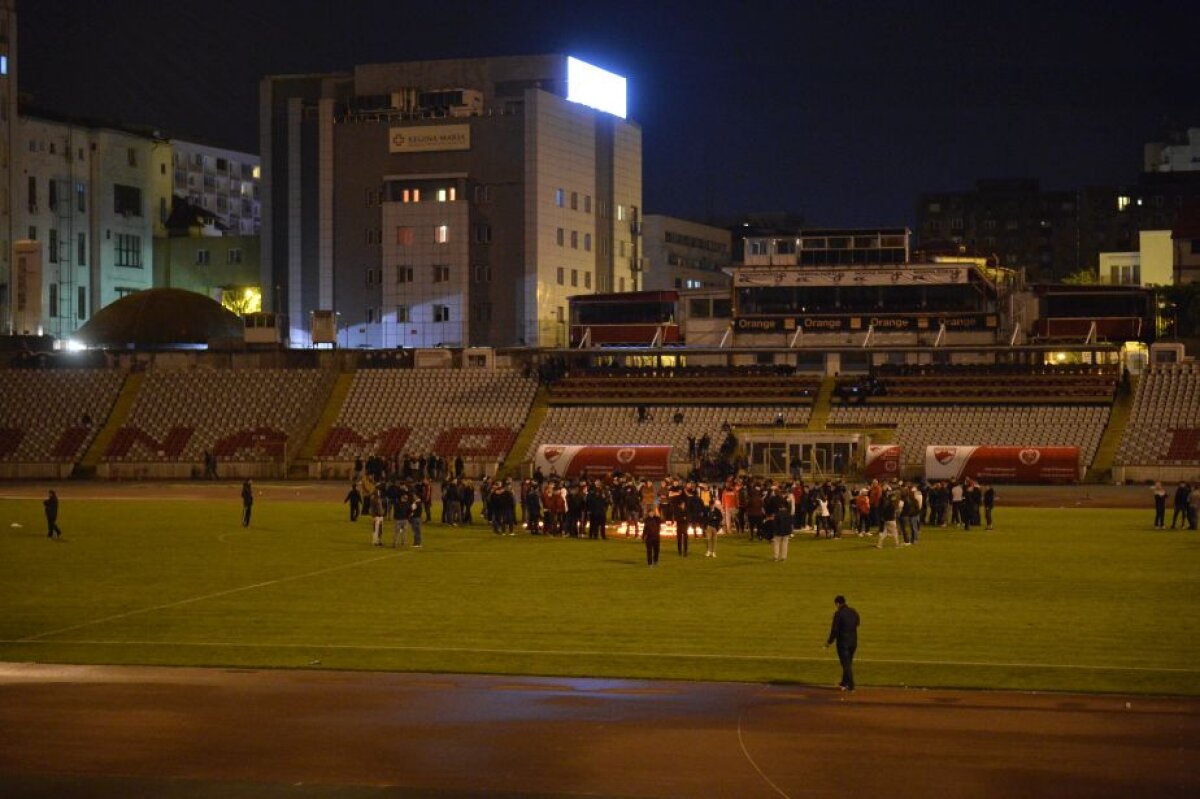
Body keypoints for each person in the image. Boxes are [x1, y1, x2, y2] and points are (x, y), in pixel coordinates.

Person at [824, 595, 860, 692]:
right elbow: (857, 623)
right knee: (848, 663)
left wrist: (829, 642)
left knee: (846, 664)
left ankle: (851, 686)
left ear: (838, 603)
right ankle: (844, 682)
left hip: (843, 643)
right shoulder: (853, 612)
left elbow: (834, 630)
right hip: (853, 642)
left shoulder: (838, 614)